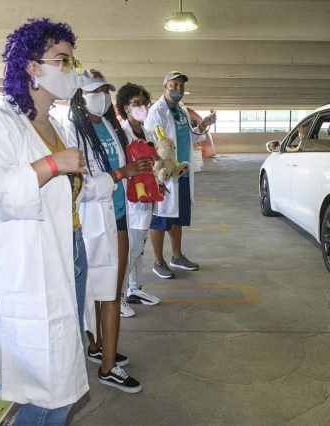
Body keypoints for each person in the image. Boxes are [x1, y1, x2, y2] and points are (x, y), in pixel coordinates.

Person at [0, 18, 93, 426]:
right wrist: (51, 165)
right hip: (29, 272)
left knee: (65, 372)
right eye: (62, 60)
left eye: (72, 61)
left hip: (70, 251)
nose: (71, 69)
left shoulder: (58, 126)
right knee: (49, 390)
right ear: (32, 67)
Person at [66, 69, 150, 393]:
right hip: (94, 222)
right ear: (81, 95)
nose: (101, 95)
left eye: (105, 90)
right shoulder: (74, 130)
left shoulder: (110, 126)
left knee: (108, 291)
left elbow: (127, 166)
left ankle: (102, 348)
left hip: (117, 217)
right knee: (105, 293)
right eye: (95, 90)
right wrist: (119, 174)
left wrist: (139, 175)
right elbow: (81, 187)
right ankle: (108, 367)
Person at [144, 71, 216, 278]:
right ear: (165, 87)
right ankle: (158, 261)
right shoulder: (157, 111)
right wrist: (156, 171)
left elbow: (191, 139)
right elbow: (151, 144)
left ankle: (177, 256)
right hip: (165, 175)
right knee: (160, 217)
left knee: (177, 216)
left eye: (181, 85)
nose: (178, 89)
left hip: (182, 172)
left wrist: (204, 124)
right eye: (173, 85)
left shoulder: (182, 110)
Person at [116, 82, 161, 309]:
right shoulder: (120, 135)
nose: (141, 107)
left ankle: (135, 288)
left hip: (146, 198)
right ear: (125, 108)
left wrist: (159, 183)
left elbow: (152, 164)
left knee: (140, 246)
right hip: (129, 199)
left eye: (144, 103)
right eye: (136, 103)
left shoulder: (147, 133)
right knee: (131, 248)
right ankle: (119, 295)